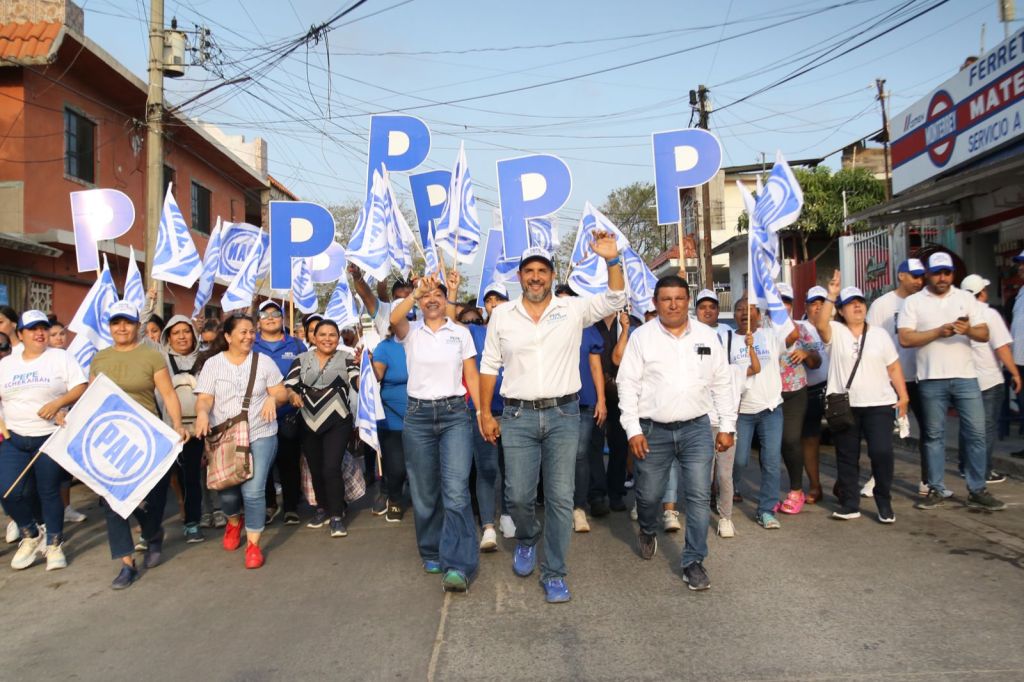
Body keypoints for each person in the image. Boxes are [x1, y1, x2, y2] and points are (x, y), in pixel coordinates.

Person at [480, 235, 625, 604]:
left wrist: (611, 260)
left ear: (552, 275)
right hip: (517, 416)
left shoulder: (572, 309)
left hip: (564, 415)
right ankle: (528, 537)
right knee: (518, 496)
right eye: (529, 271)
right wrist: (484, 412)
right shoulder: (502, 315)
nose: (535, 277)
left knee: (560, 498)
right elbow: (489, 365)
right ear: (520, 276)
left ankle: (555, 572)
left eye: (542, 271)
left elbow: (615, 299)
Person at [618, 277, 735, 590]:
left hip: (696, 429)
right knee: (649, 495)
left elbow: (722, 382)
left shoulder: (707, 336)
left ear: (687, 301)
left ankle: (693, 561)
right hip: (652, 431)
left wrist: (727, 425)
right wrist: (633, 430)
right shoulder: (642, 337)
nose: (673, 305)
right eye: (666, 299)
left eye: (679, 298)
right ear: (656, 303)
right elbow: (627, 384)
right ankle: (647, 528)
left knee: (698, 495)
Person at [390, 274, 483, 593]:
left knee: (455, 490)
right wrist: (415, 292)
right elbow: (394, 318)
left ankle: (459, 564)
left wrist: (481, 413)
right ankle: (431, 550)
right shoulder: (411, 331)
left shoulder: (460, 333)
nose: (432, 299)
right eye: (426, 296)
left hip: (455, 414)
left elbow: (471, 374)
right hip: (418, 417)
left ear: (446, 301)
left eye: (437, 295)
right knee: (425, 491)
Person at [90, 301, 189, 589]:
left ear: (137, 326)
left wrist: (177, 424)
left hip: (147, 439)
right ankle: (126, 563)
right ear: (110, 327)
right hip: (111, 439)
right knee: (113, 502)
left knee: (151, 501)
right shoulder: (100, 359)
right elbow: (91, 399)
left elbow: (168, 394)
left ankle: (153, 532)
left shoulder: (151, 356)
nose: (121, 328)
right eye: (116, 322)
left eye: (127, 322)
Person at [898, 252, 1004, 511]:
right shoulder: (913, 302)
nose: (942, 278)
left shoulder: (965, 299)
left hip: (966, 376)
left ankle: (977, 488)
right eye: (937, 273)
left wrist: (967, 330)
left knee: (977, 433)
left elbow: (984, 333)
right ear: (928, 274)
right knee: (934, 435)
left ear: (953, 274)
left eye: (947, 273)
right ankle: (935, 488)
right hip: (931, 378)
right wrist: (938, 332)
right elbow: (905, 338)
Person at [194, 313, 288, 569]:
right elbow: (204, 398)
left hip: (260, 432)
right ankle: (234, 521)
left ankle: (253, 546)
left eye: (251, 332)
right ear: (228, 336)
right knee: (228, 494)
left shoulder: (264, 362)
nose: (249, 336)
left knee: (253, 491)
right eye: (243, 332)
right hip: (225, 437)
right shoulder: (213, 364)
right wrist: (202, 414)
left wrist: (273, 399)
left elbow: (281, 391)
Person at [815, 276, 909, 522]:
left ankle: (883, 500)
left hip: (879, 404)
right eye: (850, 303)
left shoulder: (879, 335)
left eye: (860, 301)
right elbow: (821, 324)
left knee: (881, 452)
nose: (857, 306)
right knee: (847, 456)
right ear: (841, 311)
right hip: (845, 406)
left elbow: (894, 367)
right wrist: (831, 295)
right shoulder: (835, 332)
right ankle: (850, 504)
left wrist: (903, 396)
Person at [0, 311, 86, 571]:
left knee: (49, 492)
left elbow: (80, 386)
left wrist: (58, 404)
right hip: (14, 438)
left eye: (43, 328)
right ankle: (31, 533)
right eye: (32, 329)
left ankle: (54, 545)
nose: (39, 333)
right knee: (8, 491)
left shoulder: (60, 357)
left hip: (49, 437)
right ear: (21, 334)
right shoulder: (7, 364)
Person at [865, 258, 933, 497]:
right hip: (891, 379)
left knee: (929, 430)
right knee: (882, 433)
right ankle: (878, 477)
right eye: (914, 276)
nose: (919, 281)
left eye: (922, 277)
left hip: (923, 376)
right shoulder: (882, 305)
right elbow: (870, 341)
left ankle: (928, 479)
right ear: (901, 275)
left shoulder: (927, 302)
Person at [285, 319, 358, 537]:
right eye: (322, 335)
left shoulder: (347, 358)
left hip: (338, 420)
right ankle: (322, 508)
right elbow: (289, 385)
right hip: (308, 421)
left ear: (338, 338)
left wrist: (366, 367)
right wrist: (292, 395)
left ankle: (336, 516)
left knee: (331, 467)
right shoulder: (301, 359)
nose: (327, 339)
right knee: (315, 468)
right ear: (314, 337)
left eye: (332, 335)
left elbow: (358, 382)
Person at [685, 288, 742, 538]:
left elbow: (745, 373)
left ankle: (726, 518)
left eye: (712, 306)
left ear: (718, 310)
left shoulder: (730, 335)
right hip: (701, 421)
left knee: (725, 476)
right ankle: (699, 517)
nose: (707, 311)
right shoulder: (690, 336)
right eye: (702, 307)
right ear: (695, 310)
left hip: (726, 422)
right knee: (703, 476)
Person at [731, 297, 790, 530]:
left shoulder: (770, 336)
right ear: (734, 315)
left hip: (771, 409)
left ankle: (766, 509)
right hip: (741, 411)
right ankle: (729, 487)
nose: (745, 313)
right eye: (740, 309)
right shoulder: (727, 339)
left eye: (750, 309)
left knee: (771, 461)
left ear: (759, 314)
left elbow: (792, 334)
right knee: (739, 459)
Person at [459, 283, 508, 550]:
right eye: (489, 300)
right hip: (484, 410)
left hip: (515, 410)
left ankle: (509, 514)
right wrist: (452, 292)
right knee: (487, 468)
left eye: (499, 299)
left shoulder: (521, 330)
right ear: (484, 307)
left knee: (512, 469)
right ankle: (488, 526)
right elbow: (449, 320)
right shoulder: (475, 331)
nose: (494, 304)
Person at [553, 285, 606, 534]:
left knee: (580, 455)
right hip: (555, 402)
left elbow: (596, 367)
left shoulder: (587, 328)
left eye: (568, 300)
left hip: (584, 402)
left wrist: (601, 400)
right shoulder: (547, 327)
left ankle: (578, 507)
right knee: (557, 456)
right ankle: (560, 506)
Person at [959, 275, 1022, 482]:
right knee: (986, 428)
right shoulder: (989, 314)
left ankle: (965, 466)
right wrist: (1015, 373)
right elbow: (1001, 347)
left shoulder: (957, 314)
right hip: (989, 379)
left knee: (967, 426)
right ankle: (982, 470)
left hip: (965, 379)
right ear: (982, 293)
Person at [253, 300, 306, 526]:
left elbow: (306, 372)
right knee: (262, 463)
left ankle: (291, 506)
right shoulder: (251, 343)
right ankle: (269, 504)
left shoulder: (296, 345)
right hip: (258, 415)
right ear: (258, 321)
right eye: (265, 314)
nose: (270, 318)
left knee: (289, 461)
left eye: (275, 313)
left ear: (282, 318)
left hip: (288, 414)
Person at [775, 282, 821, 514]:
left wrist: (806, 353)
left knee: (790, 440)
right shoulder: (761, 328)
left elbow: (816, 361)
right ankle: (770, 491)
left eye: (787, 301)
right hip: (768, 394)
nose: (783, 305)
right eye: (778, 301)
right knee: (770, 445)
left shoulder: (801, 329)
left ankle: (796, 490)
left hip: (795, 392)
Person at [159, 315, 206, 542]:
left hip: (198, 429)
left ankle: (192, 523)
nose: (181, 337)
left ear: (194, 335)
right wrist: (150, 304)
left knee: (191, 478)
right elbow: (139, 334)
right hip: (167, 428)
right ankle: (151, 530)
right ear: (167, 337)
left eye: (186, 331)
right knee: (160, 482)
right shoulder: (159, 359)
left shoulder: (206, 359)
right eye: (176, 332)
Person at [592, 304, 631, 513]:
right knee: (594, 445)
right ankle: (597, 494)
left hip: (620, 392)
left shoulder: (629, 323)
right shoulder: (589, 324)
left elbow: (620, 358)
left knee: (620, 445)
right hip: (593, 391)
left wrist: (625, 330)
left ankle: (616, 492)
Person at [372, 324, 410, 523]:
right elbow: (377, 374)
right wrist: (368, 365)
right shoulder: (384, 347)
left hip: (424, 414)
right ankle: (394, 498)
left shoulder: (422, 342)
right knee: (397, 466)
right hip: (393, 416)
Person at [800, 286, 830, 504]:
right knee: (810, 440)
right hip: (810, 391)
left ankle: (844, 483)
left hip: (836, 390)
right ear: (806, 306)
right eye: (813, 303)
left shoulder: (837, 327)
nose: (818, 308)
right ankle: (815, 485)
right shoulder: (800, 328)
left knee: (846, 439)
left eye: (822, 303)